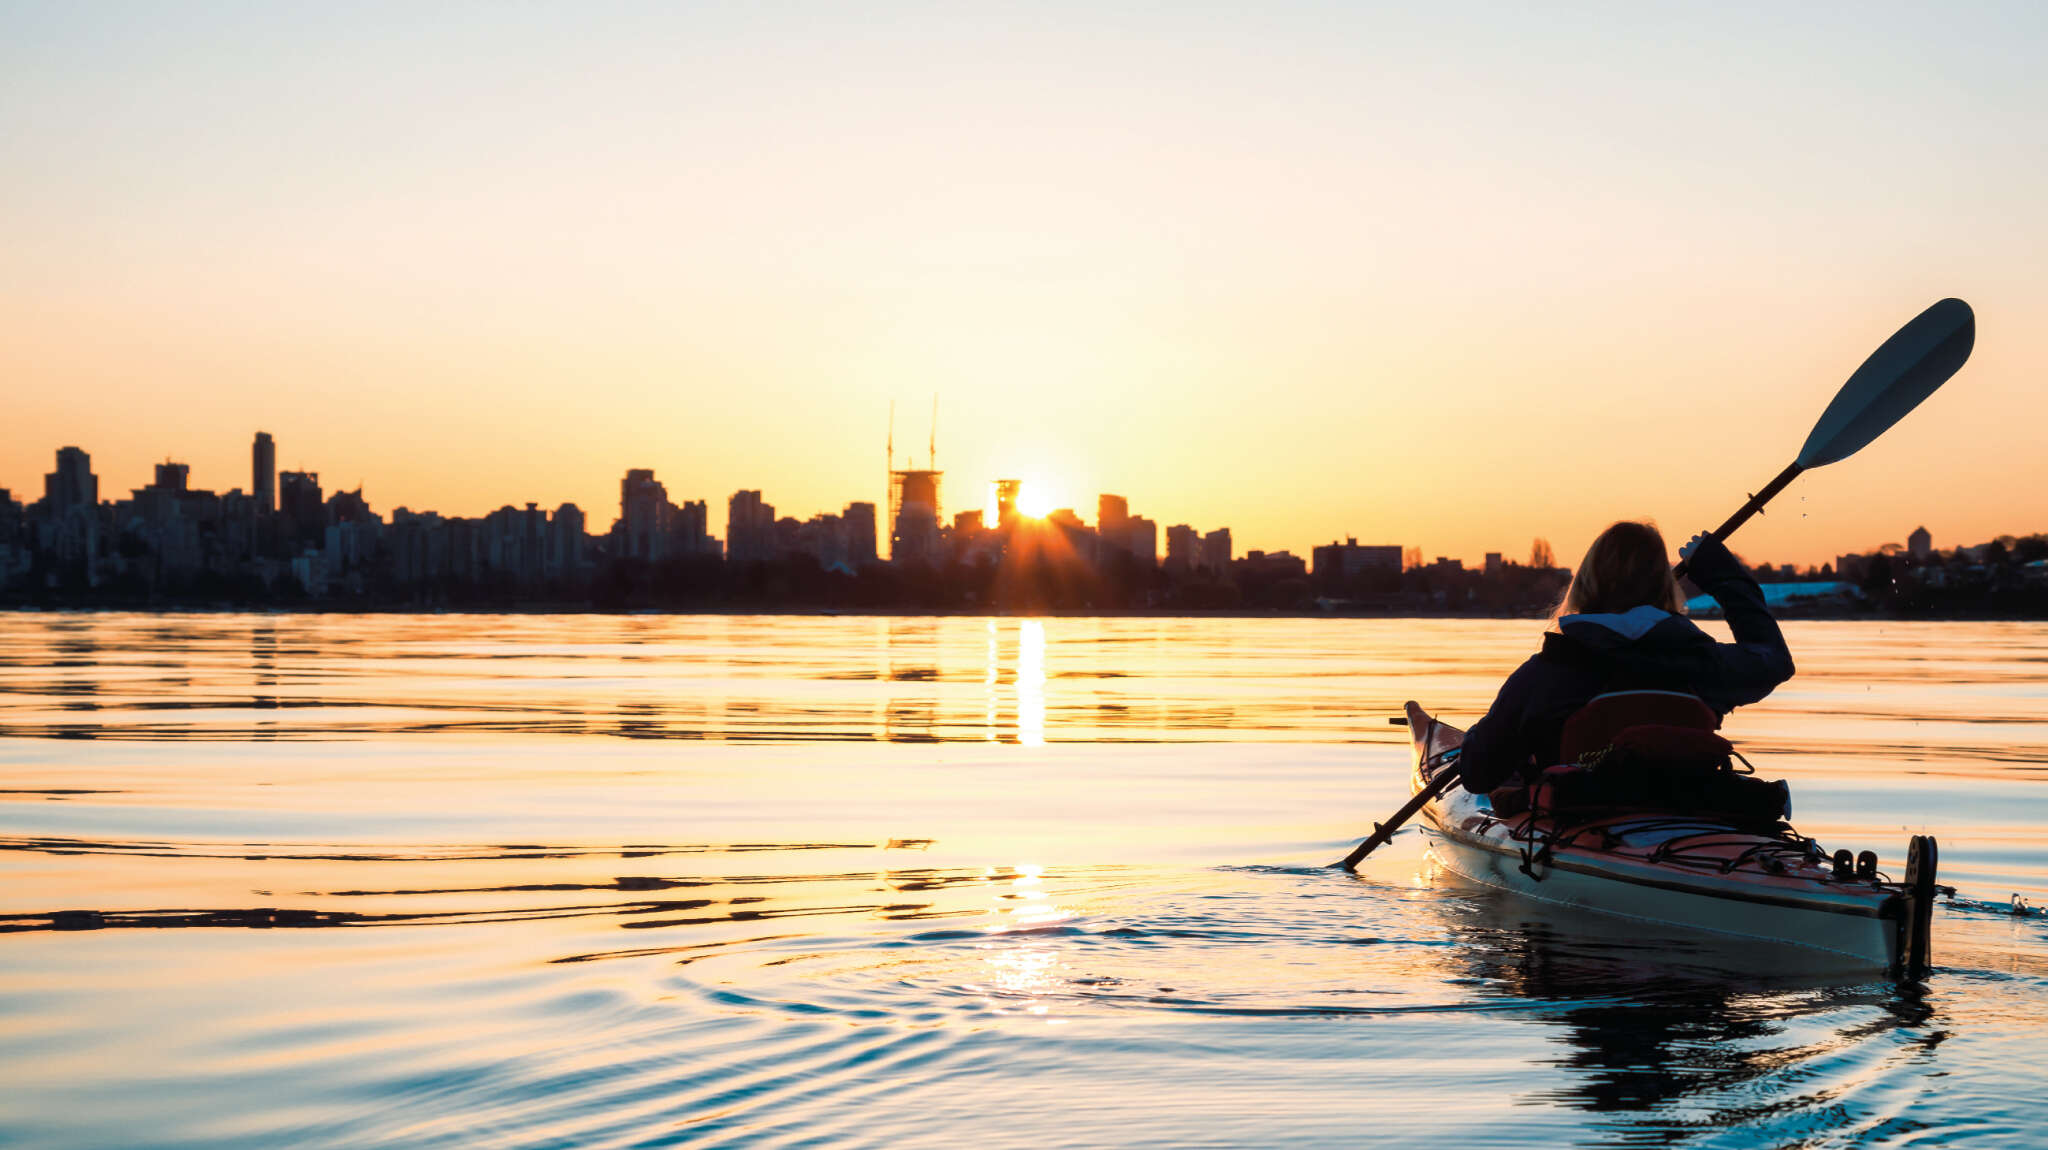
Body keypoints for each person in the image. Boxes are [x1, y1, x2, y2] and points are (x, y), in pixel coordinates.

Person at [1457, 521, 1794, 795]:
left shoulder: (1544, 672)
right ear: (1664, 586)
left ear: (1586, 583)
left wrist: (1485, 732)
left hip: (1574, 819)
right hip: (1694, 813)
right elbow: (1773, 660)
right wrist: (1726, 577)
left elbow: (1478, 776)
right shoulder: (1702, 663)